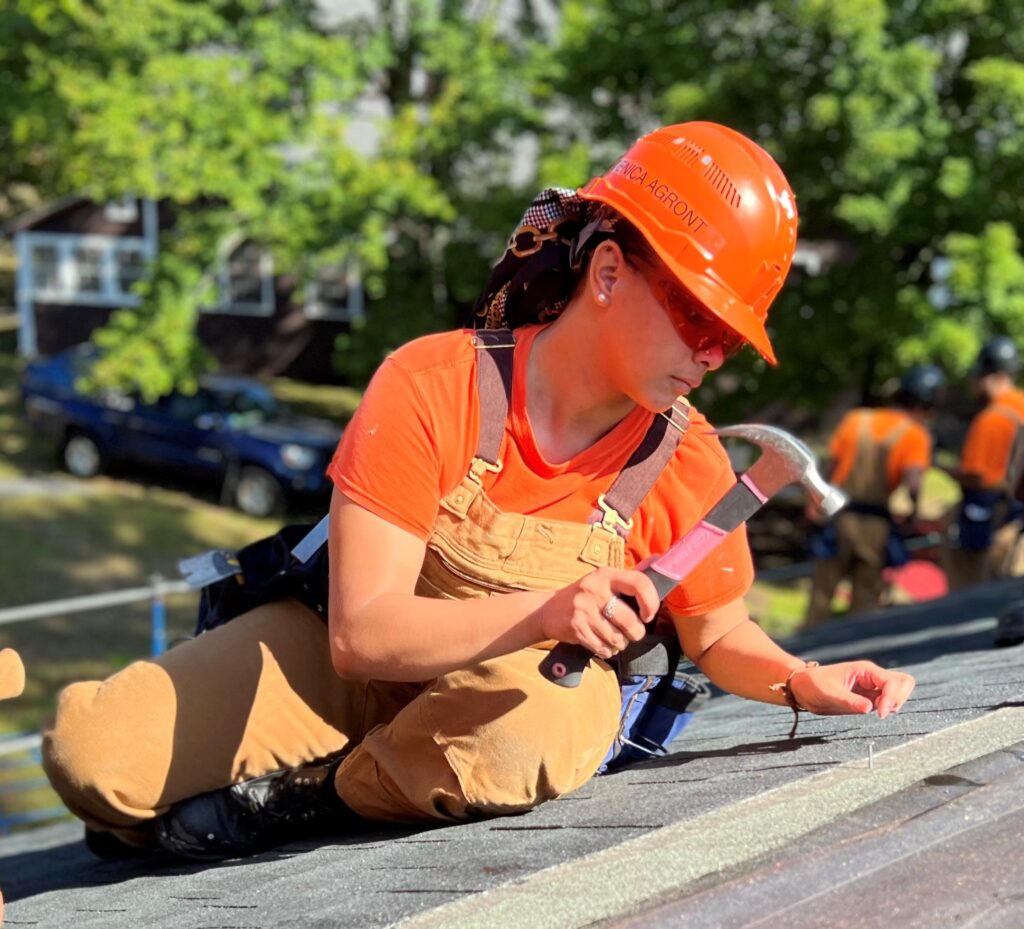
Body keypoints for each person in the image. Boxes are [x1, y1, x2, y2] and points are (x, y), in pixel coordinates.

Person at [41, 121, 916, 862]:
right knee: (91, 758)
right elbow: (360, 632)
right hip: (355, 668)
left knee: (534, 726)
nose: (711, 352)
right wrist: (550, 607)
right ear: (608, 273)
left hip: (509, 699)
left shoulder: (687, 460)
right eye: (697, 314)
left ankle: (315, 796)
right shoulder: (432, 383)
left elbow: (718, 632)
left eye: (730, 336)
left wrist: (806, 680)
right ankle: (314, 776)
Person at [803, 364, 945, 626]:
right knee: (865, 601)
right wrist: (913, 515)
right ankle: (856, 660)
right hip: (875, 526)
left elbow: (830, 468)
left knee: (821, 597)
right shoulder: (916, 435)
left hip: (838, 517)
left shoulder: (857, 419)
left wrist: (814, 503)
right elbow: (913, 484)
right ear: (927, 404)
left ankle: (803, 658)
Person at [947, 336, 1024, 589]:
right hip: (1017, 519)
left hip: (998, 519)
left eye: (976, 377)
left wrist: (944, 469)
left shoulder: (991, 418)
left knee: (977, 588)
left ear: (994, 377)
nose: (972, 384)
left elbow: (977, 476)